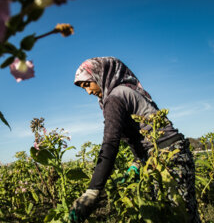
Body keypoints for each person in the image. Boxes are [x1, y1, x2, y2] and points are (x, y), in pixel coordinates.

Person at [69, 57, 200, 223]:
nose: (88, 92)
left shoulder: (115, 98)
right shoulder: (127, 90)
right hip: (175, 152)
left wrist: (93, 190)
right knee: (185, 212)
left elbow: (110, 143)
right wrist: (138, 163)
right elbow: (139, 134)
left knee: (176, 215)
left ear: (99, 75)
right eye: (83, 88)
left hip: (167, 158)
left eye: (87, 84)